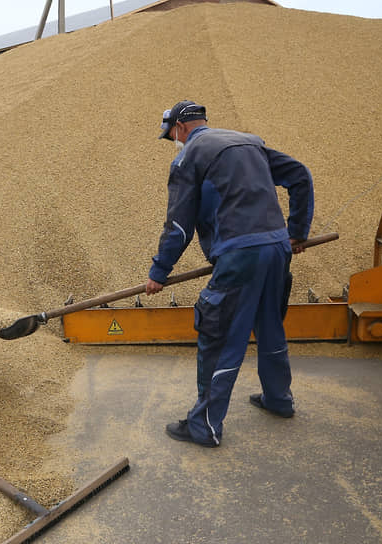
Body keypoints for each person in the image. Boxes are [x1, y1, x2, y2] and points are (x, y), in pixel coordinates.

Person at [147, 100, 314, 448]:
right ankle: (279, 400)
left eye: (172, 135)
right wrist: (296, 232)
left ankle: (203, 427)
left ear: (180, 127)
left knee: (219, 337)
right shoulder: (248, 142)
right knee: (270, 327)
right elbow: (300, 175)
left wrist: (160, 271)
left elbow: (179, 224)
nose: (173, 142)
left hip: (241, 257)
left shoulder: (189, 157)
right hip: (277, 248)